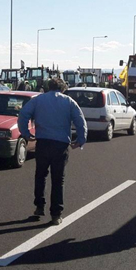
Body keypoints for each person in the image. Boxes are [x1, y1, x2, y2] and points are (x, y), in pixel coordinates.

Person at [17, 78, 87, 225]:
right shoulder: (68, 101)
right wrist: (80, 140)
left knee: (40, 175)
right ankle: (56, 214)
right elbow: (80, 121)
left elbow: (23, 114)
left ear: (48, 87)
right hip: (60, 145)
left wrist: (25, 132)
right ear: (62, 88)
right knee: (58, 179)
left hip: (42, 142)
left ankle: (39, 206)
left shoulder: (38, 100)